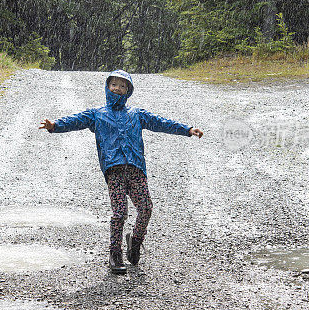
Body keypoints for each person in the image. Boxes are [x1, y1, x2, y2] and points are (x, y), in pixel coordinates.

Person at [39, 70, 203, 275]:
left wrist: (187, 129)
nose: (118, 89)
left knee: (146, 208)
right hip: (114, 170)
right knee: (119, 213)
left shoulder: (137, 114)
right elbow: (76, 120)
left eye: (123, 86)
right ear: (107, 87)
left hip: (136, 169)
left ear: (129, 91)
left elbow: (161, 122)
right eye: (114, 85)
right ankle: (115, 253)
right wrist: (55, 125)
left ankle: (135, 242)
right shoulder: (96, 114)